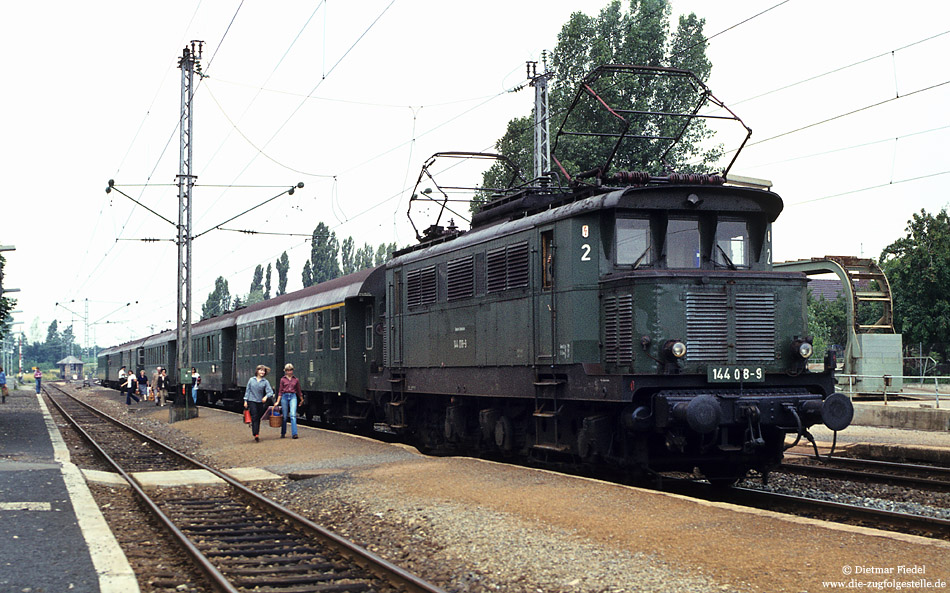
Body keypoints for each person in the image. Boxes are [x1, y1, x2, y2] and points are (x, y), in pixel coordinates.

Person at [244, 365, 274, 443]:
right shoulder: (251, 380)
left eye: (263, 371)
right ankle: (256, 434)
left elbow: (270, 392)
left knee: (258, 417)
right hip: (251, 400)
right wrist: (245, 400)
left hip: (260, 401)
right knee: (254, 415)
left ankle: (255, 430)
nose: (262, 372)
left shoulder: (265, 382)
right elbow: (248, 390)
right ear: (257, 371)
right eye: (261, 370)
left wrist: (266, 397)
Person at [276, 363, 304, 439]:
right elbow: (280, 391)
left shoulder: (296, 380)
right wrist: (277, 401)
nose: (289, 372)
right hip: (284, 396)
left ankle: (294, 434)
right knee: (285, 416)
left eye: (291, 370)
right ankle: (283, 432)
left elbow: (298, 390)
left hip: (293, 396)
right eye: (287, 370)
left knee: (293, 415)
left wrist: (301, 399)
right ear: (285, 371)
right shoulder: (282, 379)